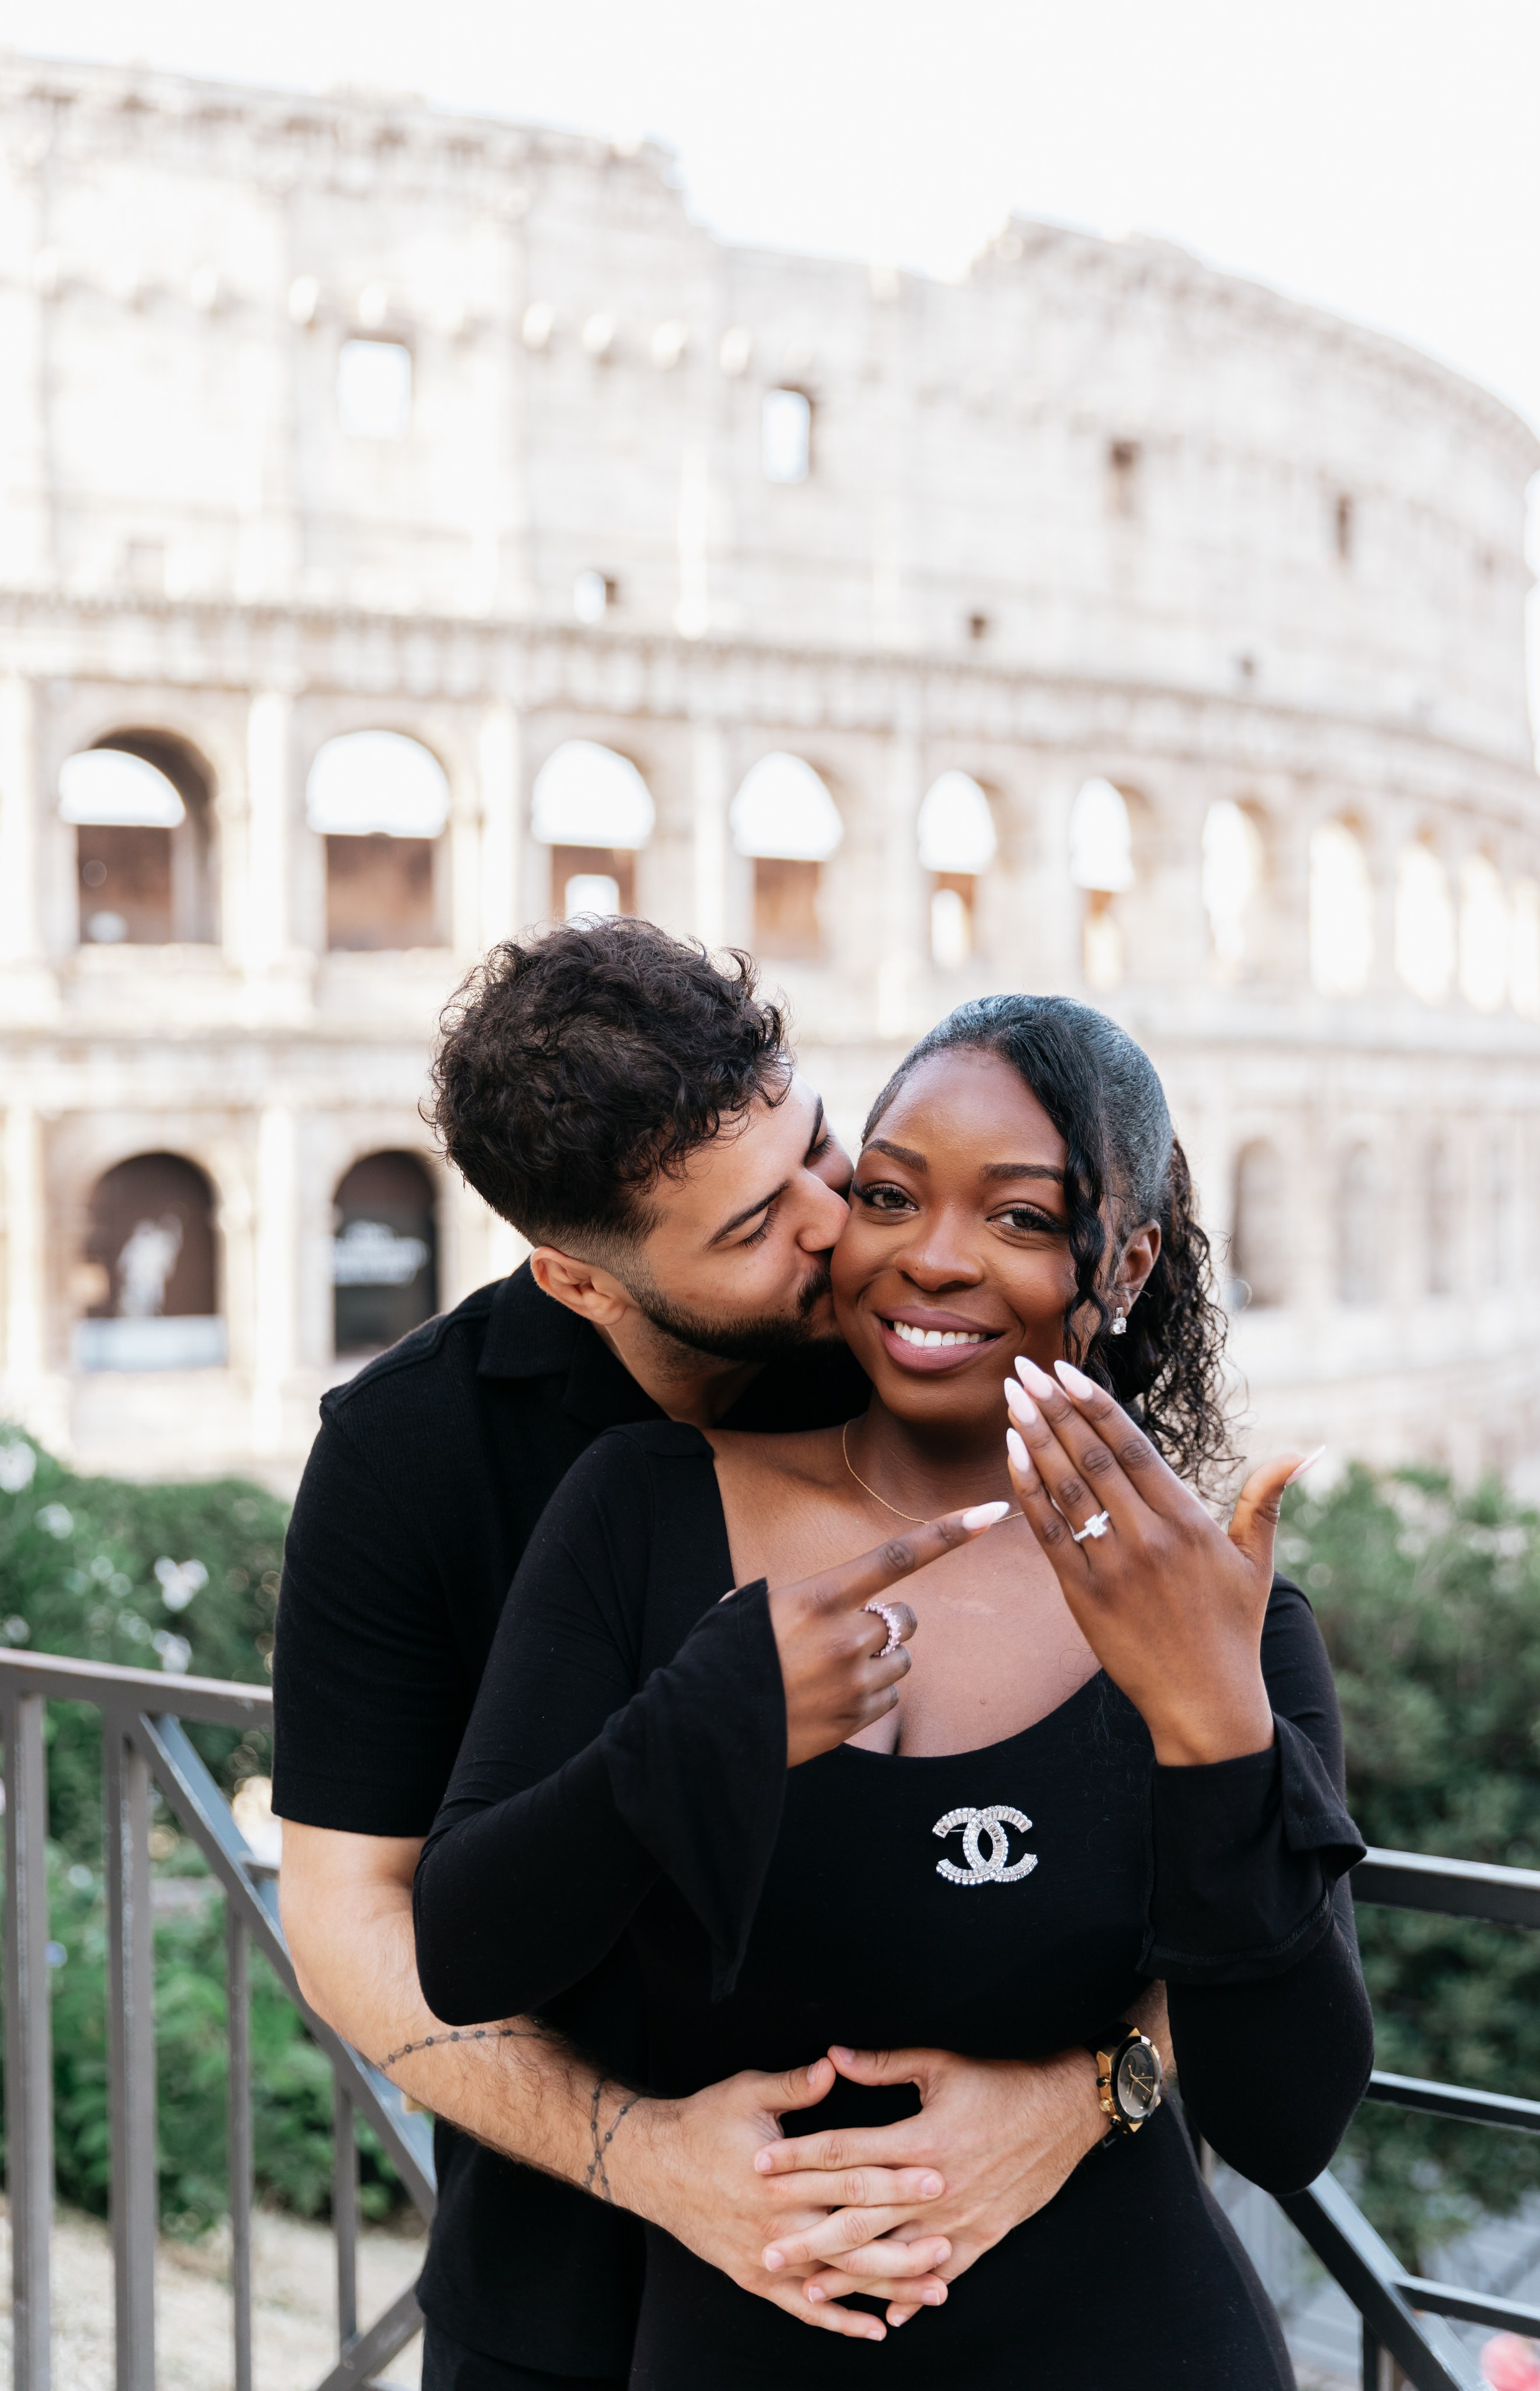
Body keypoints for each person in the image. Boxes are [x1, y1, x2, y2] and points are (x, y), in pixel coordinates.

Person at [413, 993, 1374, 2389]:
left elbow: (1287, 2123)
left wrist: (1212, 1724)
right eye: (885, 1193)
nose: (933, 1260)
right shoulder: (642, 1510)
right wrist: (706, 1725)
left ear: (1128, 1260)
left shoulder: (1213, 1616)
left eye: (1022, 1219)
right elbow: (469, 1955)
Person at [273, 928, 1167, 2389]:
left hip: (989, 2280)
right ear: (577, 1283)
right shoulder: (409, 1457)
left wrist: (1082, 2101)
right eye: (753, 1228)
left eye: (823, 1149)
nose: (837, 1226)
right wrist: (644, 2159)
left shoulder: (920, 1333)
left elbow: (1212, 1817)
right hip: (567, 2291)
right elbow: (348, 1921)